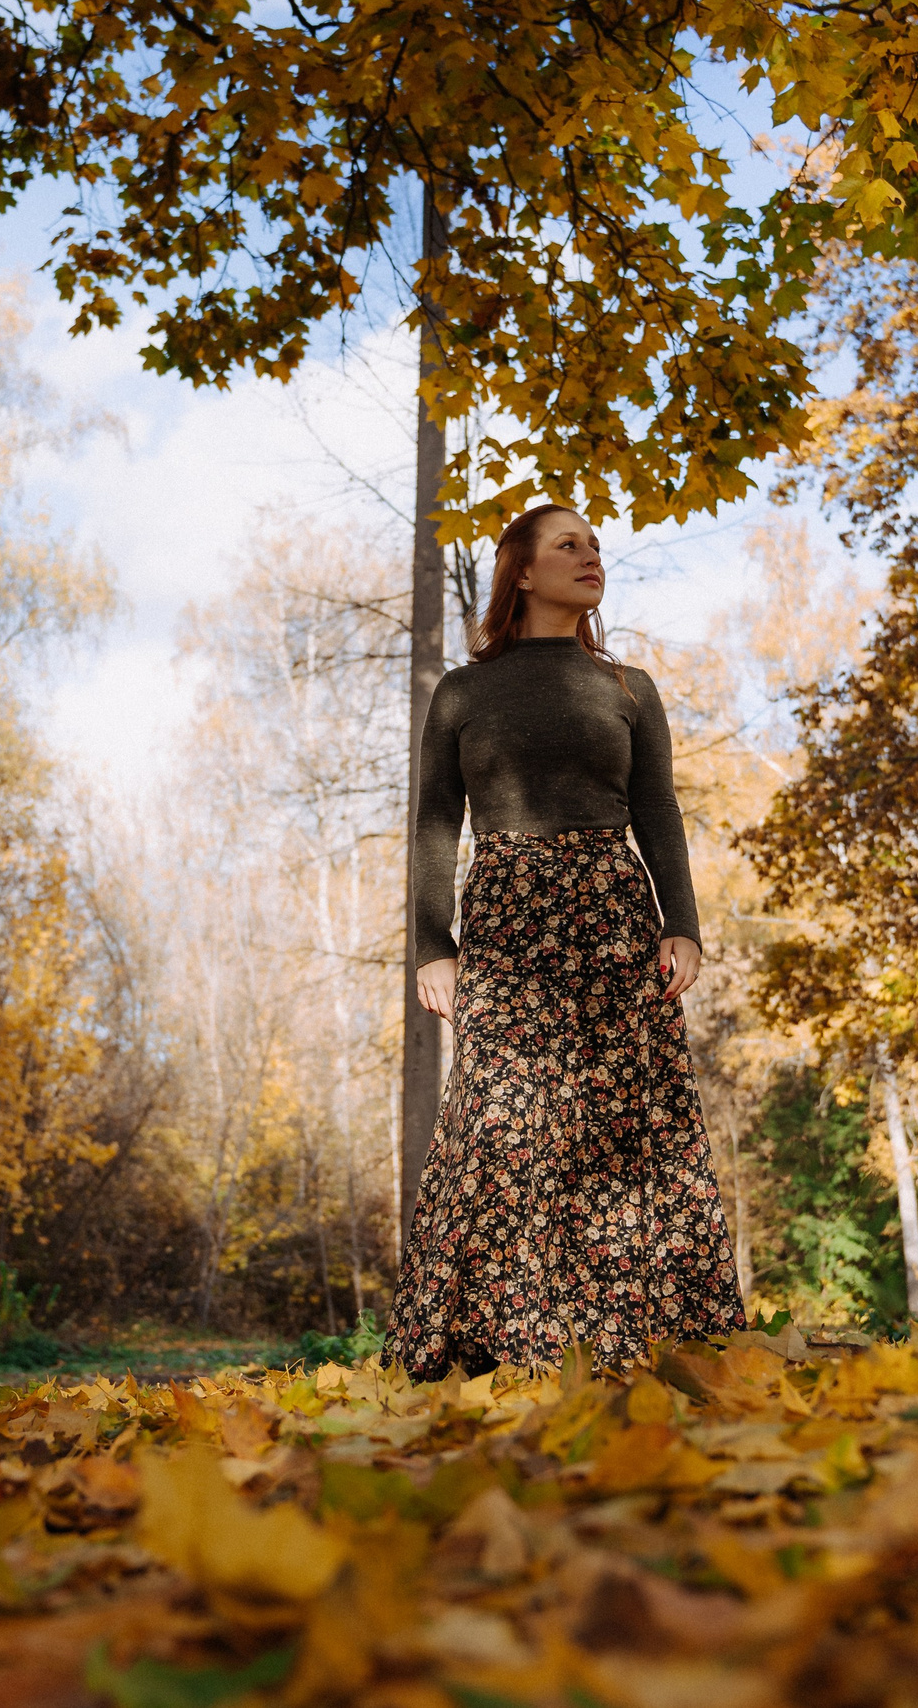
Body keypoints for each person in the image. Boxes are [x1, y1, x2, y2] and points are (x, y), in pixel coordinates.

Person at [385, 502, 746, 1379]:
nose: (591, 558)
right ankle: (495, 1350)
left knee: (629, 1127)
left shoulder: (628, 690)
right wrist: (434, 943)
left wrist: (682, 924)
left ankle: (646, 1350)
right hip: (507, 923)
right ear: (522, 571)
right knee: (503, 1126)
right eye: (568, 546)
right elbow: (436, 820)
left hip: (615, 919)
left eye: (595, 547)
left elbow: (658, 812)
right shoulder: (464, 693)